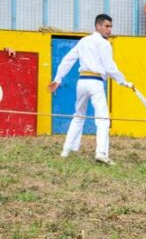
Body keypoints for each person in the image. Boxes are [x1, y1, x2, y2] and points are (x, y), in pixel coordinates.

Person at [47, 14, 134, 165]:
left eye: (110, 26)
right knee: (103, 118)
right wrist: (124, 82)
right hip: (95, 82)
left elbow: (68, 60)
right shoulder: (104, 44)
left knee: (78, 115)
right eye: (107, 26)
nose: (109, 30)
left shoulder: (84, 41)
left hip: (82, 82)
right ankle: (101, 152)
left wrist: (58, 79)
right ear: (98, 26)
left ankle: (66, 150)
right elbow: (110, 67)